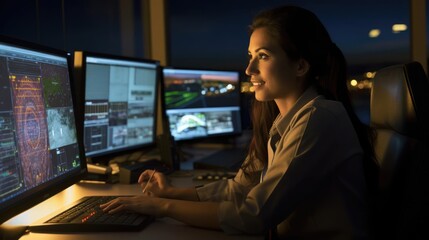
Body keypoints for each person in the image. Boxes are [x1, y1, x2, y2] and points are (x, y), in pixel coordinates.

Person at [101, 5, 379, 239]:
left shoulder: (318, 119)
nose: (249, 70)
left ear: (300, 66)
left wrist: (160, 206)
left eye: (263, 56)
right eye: (250, 56)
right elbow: (239, 189)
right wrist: (170, 192)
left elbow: (252, 215)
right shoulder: (284, 118)